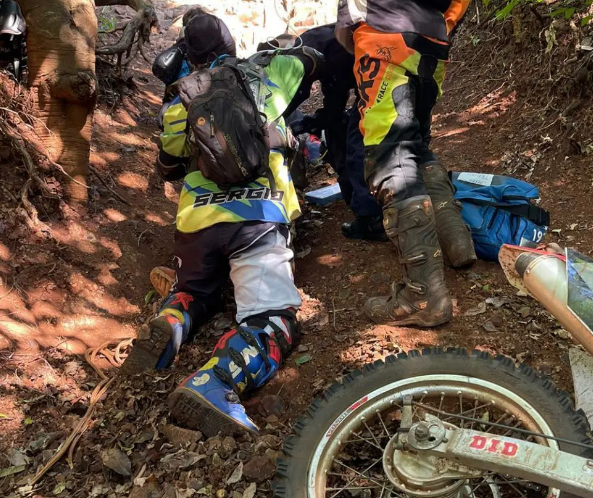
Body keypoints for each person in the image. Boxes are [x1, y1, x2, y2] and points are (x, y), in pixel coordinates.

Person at [122, 17, 324, 437]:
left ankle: (172, 322)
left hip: (196, 222)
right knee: (272, 318)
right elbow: (309, 58)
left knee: (195, 290)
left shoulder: (182, 101)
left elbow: (167, 166)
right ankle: (215, 383)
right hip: (257, 220)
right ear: (232, 44)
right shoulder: (266, 78)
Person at [335, 0, 476, 327]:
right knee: (415, 145)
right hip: (434, 37)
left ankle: (424, 296)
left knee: (390, 156)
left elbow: (350, 15)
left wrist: (357, 39)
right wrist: (441, 24)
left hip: (383, 34)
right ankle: (456, 241)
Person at [260, 25, 386, 241]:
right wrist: (313, 121)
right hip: (370, 77)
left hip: (382, 80)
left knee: (357, 143)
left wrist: (282, 121)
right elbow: (332, 99)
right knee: (338, 130)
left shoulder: (307, 54)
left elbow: (321, 94)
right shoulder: (309, 50)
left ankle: (372, 220)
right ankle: (355, 196)